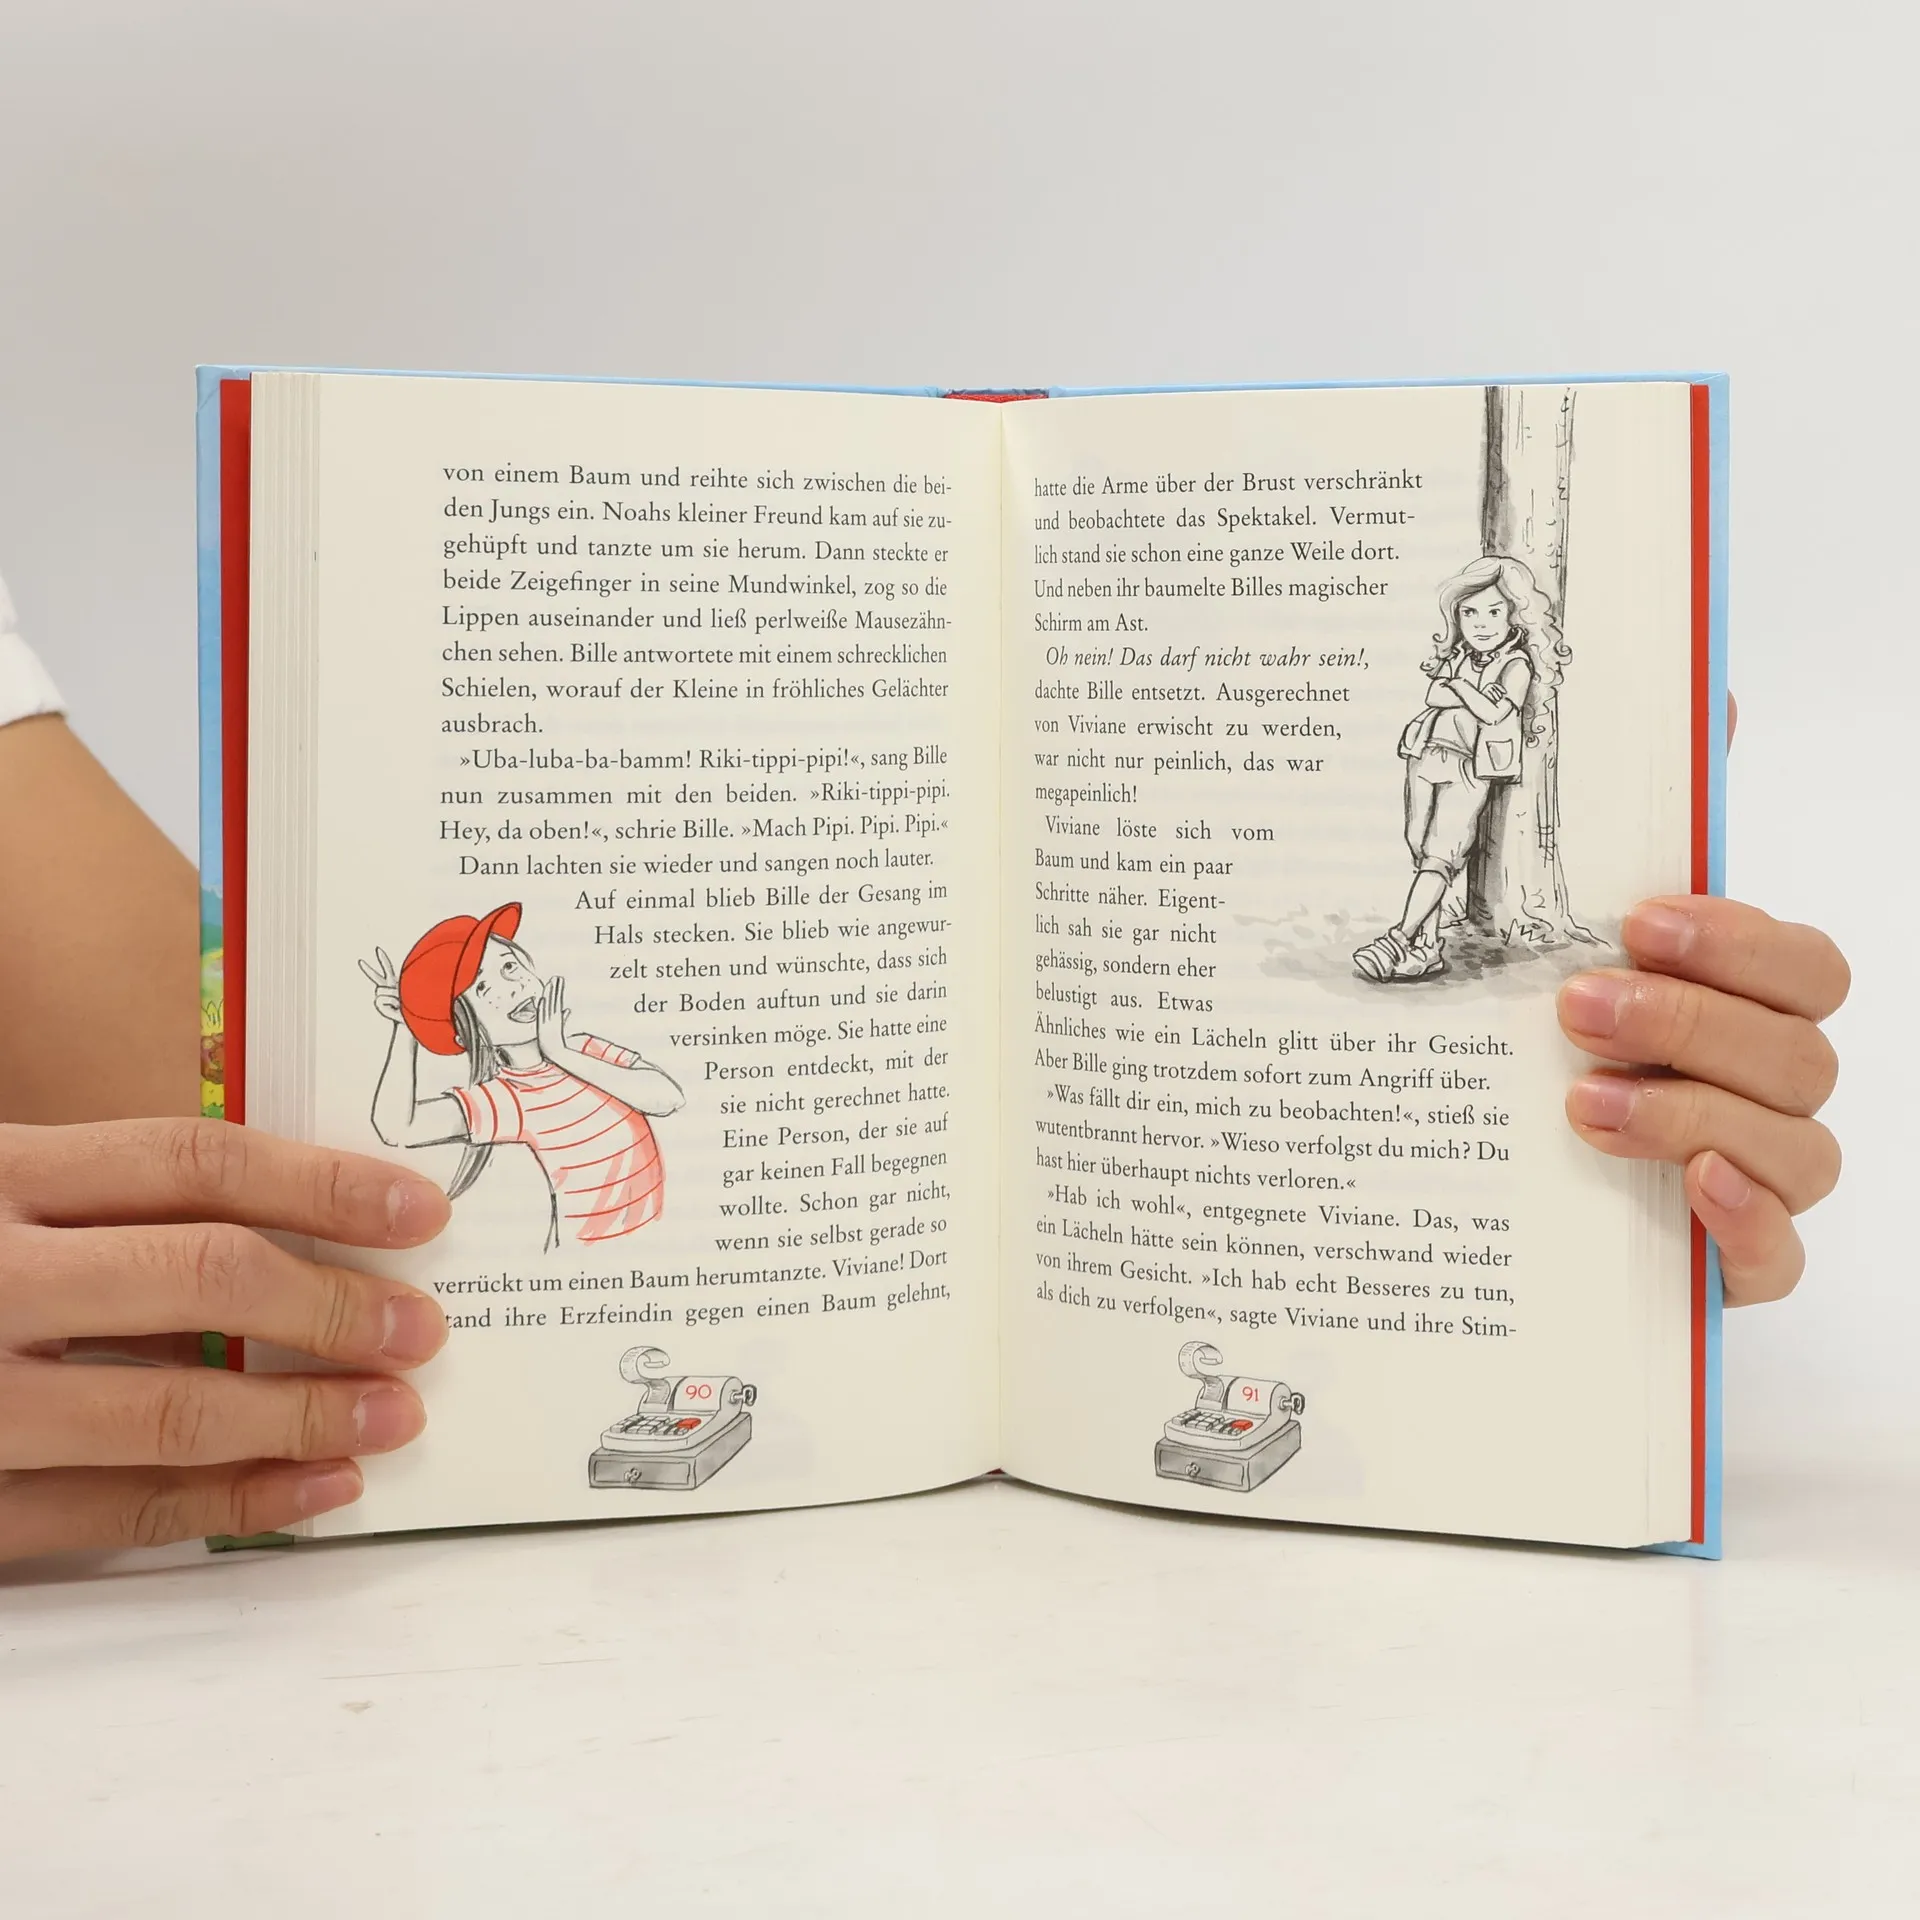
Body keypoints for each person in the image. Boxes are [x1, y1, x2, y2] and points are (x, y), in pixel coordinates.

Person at [0, 570, 1848, 1564]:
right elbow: (359, 1173)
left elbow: (215, 1173)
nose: (530, 981)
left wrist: (1525, 1172)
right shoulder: (486, 1079)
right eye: (503, 976)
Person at [361, 902, 683, 1248]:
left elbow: (668, 1098)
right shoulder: (509, 1097)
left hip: (657, 1249)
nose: (512, 988)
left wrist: (561, 1053)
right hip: (587, 1258)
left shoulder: (585, 1050)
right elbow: (398, 1129)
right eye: (483, 989)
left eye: (509, 966)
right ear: (463, 1034)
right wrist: (405, 1029)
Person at [1354, 554, 1550, 982]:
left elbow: (1494, 713)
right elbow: (1434, 696)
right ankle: (1426, 948)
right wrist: (1469, 691)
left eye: (1493, 612)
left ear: (1513, 614)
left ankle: (1396, 940)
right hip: (1425, 752)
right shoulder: (1460, 655)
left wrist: (1459, 686)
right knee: (1418, 844)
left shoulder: (1516, 664)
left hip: (1470, 765)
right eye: (1469, 613)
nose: (1481, 623)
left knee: (1441, 854)